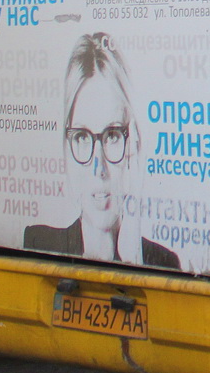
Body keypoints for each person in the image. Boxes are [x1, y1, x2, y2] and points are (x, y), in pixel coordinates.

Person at [24, 32, 179, 269]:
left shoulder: (164, 261)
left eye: (113, 135)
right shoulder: (38, 242)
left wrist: (132, 257)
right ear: (67, 145)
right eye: (83, 137)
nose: (99, 168)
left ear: (134, 144)